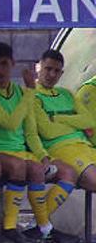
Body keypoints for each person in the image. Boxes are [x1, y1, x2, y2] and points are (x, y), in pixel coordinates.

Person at [0, 43, 78, 243]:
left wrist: (43, 156)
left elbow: (30, 131)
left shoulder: (19, 92)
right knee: (19, 166)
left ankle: (42, 228)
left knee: (37, 169)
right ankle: (1, 229)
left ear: (13, 64)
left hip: (20, 153)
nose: (1, 70)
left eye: (5, 64)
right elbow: (10, 122)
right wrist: (30, 92)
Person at [33, 49, 96, 193]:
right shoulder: (32, 95)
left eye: (57, 71)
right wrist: (75, 124)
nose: (52, 75)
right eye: (48, 69)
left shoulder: (66, 94)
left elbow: (89, 121)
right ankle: (42, 216)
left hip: (85, 146)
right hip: (60, 148)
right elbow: (47, 131)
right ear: (38, 67)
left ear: (61, 73)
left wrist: (58, 118)